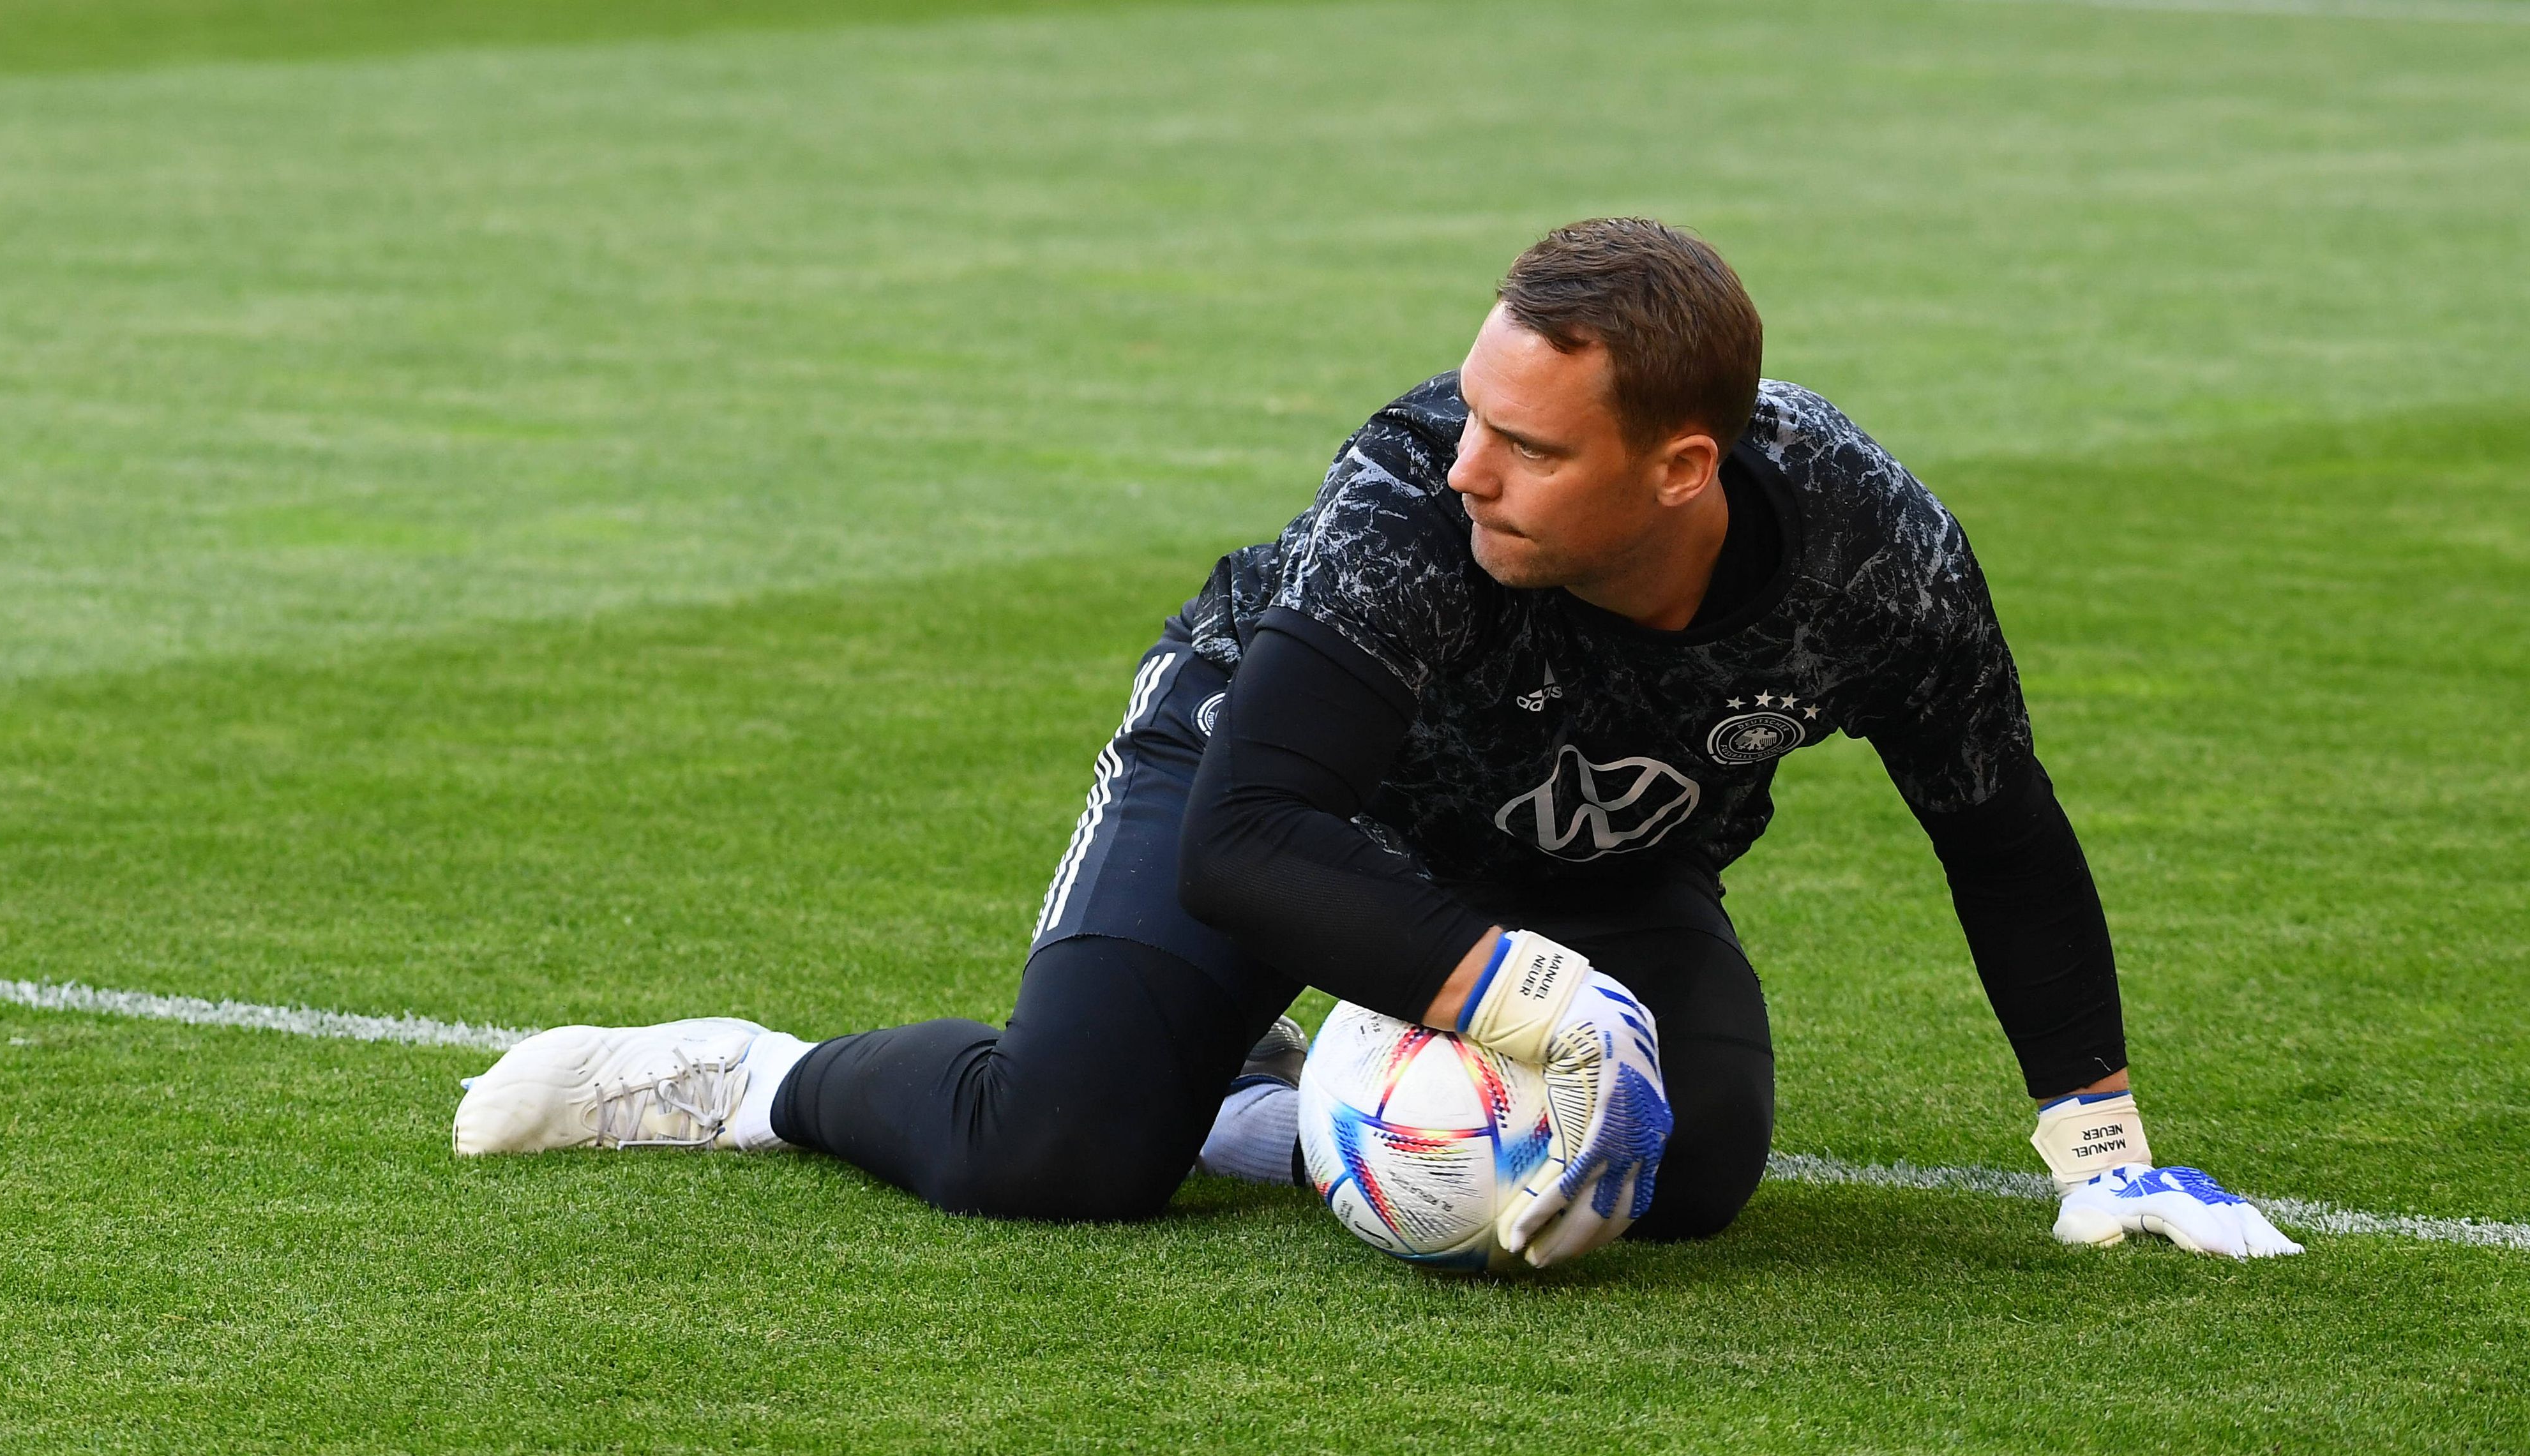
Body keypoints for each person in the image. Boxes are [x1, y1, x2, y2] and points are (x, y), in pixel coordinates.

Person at [453, 218, 2299, 1264]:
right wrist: (1535, 1008)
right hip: (1273, 786)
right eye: (1475, 408)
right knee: (1065, 1151)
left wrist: (2102, 1146)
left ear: (1682, 470)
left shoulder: (1877, 555)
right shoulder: (1416, 496)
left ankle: (1275, 1102)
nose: (1469, 460)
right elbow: (1247, 838)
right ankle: (738, 1078)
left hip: (1584, 849)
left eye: (1534, 444)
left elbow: (1998, 818)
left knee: (1692, 1173)